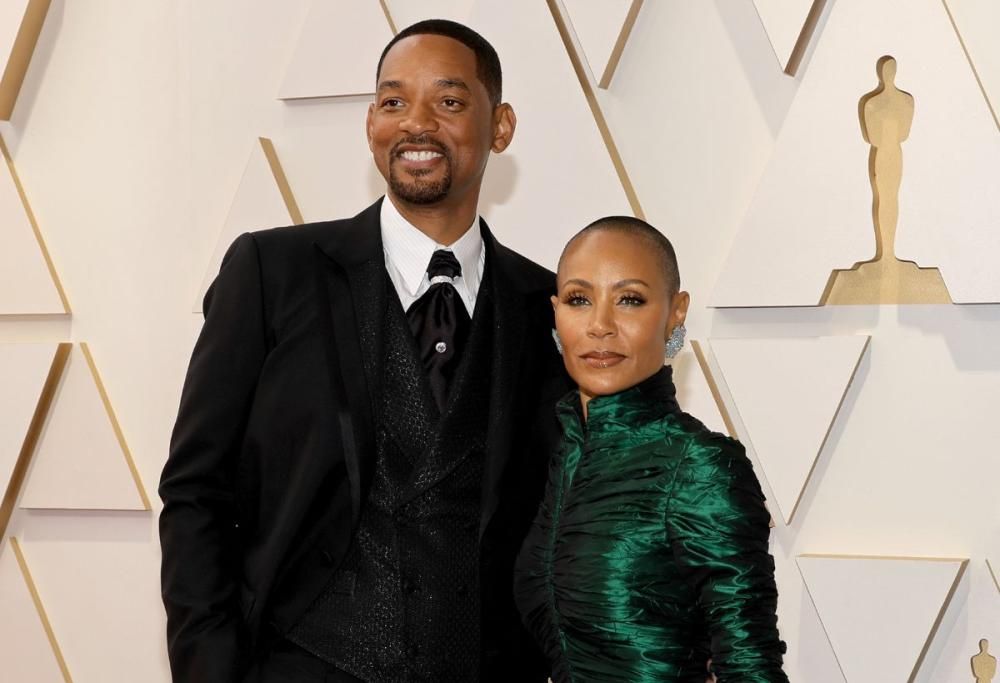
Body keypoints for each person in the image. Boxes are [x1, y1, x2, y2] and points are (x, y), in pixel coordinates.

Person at [159, 19, 569, 683]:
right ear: (371, 122)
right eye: (393, 100)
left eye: (449, 101)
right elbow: (196, 487)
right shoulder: (272, 271)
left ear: (501, 127)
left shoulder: (546, 305)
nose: (417, 123)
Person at [514, 216, 789, 682]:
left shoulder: (700, 466)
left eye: (630, 300)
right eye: (580, 300)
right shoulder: (563, 456)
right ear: (556, 312)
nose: (600, 326)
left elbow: (751, 666)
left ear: (675, 312)